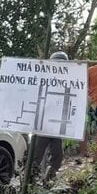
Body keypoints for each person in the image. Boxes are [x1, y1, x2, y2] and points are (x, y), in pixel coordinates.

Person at [33, 51, 68, 181]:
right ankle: (30, 181)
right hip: (43, 122)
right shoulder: (43, 78)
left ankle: (49, 178)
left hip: (57, 123)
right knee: (36, 154)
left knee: (58, 155)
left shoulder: (68, 79)